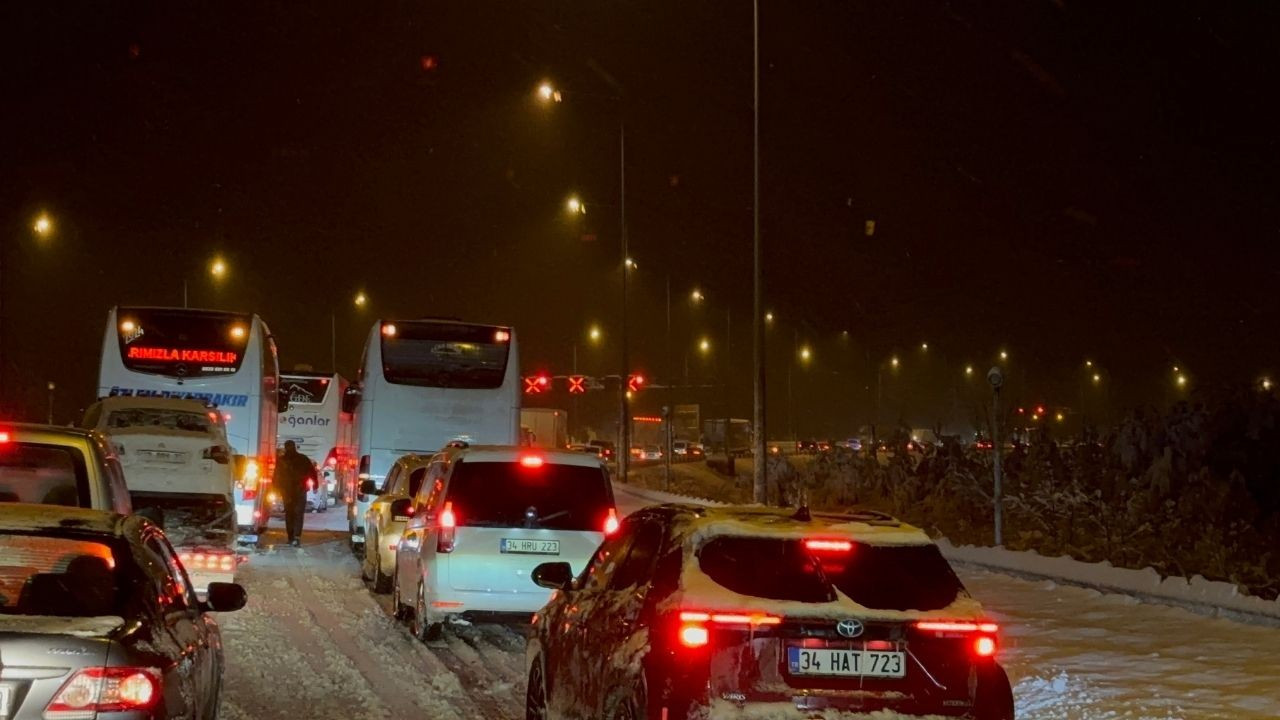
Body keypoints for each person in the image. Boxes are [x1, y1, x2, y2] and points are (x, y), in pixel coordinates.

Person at [276, 441, 315, 547]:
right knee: (298, 514)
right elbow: (312, 472)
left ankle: (291, 537)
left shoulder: (282, 460)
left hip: (288, 491)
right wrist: (315, 485)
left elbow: (276, 476)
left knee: (290, 514)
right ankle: (296, 537)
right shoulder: (303, 459)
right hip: (300, 490)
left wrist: (276, 489)